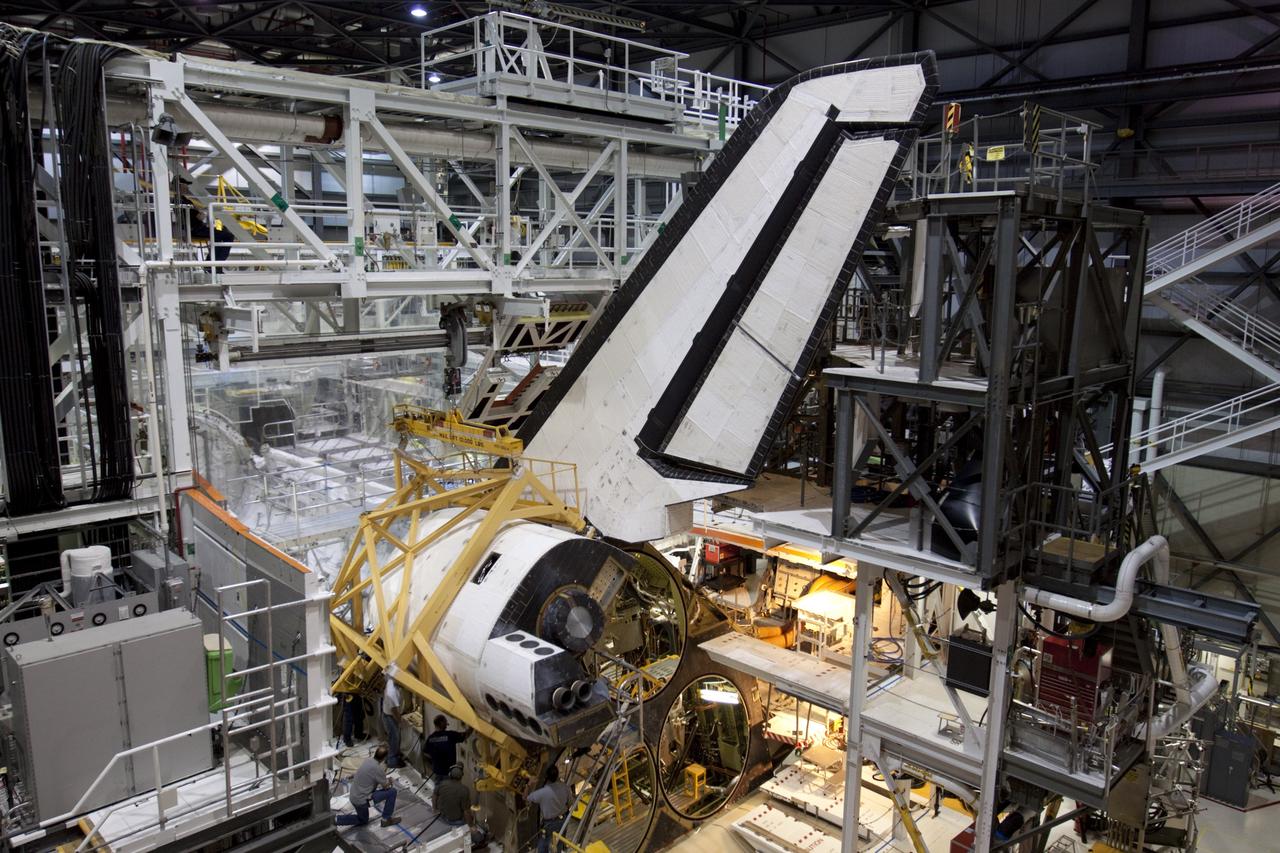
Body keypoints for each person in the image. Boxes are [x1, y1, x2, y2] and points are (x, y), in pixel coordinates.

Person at [336, 745, 401, 828]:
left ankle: (337, 819)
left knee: (363, 818)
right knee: (392, 792)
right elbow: (385, 787)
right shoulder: (378, 769)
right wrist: (390, 781)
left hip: (353, 796)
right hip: (362, 801)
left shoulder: (367, 761)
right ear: (385, 758)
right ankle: (386, 819)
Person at [527, 765, 572, 853]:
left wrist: (529, 784)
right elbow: (570, 803)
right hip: (563, 820)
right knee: (558, 843)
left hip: (549, 824)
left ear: (546, 777)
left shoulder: (542, 792)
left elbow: (526, 797)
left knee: (544, 844)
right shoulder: (565, 787)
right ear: (557, 775)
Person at [425, 715, 469, 781]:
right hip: (449, 774)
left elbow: (426, 753)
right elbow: (465, 735)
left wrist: (435, 761)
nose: (447, 725)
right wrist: (472, 727)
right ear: (441, 723)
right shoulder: (450, 735)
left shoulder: (430, 739)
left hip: (438, 774)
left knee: (440, 787)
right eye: (446, 723)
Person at [382, 673, 404, 768]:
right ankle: (392, 761)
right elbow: (394, 710)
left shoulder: (391, 679)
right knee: (394, 739)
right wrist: (400, 721)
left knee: (393, 739)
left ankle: (392, 756)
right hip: (390, 717)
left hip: (389, 714)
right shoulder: (391, 693)